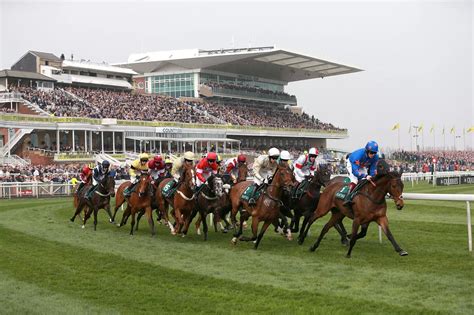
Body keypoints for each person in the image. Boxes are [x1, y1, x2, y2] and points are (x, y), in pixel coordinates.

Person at [343, 141, 379, 206]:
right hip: (352, 163)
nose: (373, 154)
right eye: (371, 152)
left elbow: (373, 169)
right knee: (355, 180)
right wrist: (365, 176)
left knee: (366, 181)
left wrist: (371, 176)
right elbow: (355, 172)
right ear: (367, 151)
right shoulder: (358, 155)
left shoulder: (375, 157)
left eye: (375, 153)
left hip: (361, 165)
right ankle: (347, 198)